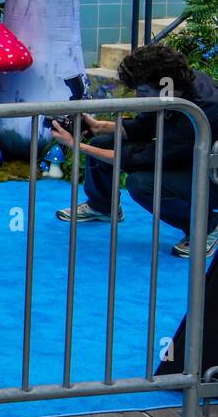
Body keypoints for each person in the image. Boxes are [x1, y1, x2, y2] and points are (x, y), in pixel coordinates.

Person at [53, 43, 218, 258]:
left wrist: (76, 146)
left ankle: (208, 228)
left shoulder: (201, 111)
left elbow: (142, 158)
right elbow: (144, 128)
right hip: (190, 155)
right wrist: (96, 126)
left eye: (142, 91)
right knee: (103, 142)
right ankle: (102, 206)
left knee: (142, 184)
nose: (138, 96)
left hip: (211, 175)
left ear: (165, 85)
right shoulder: (174, 87)